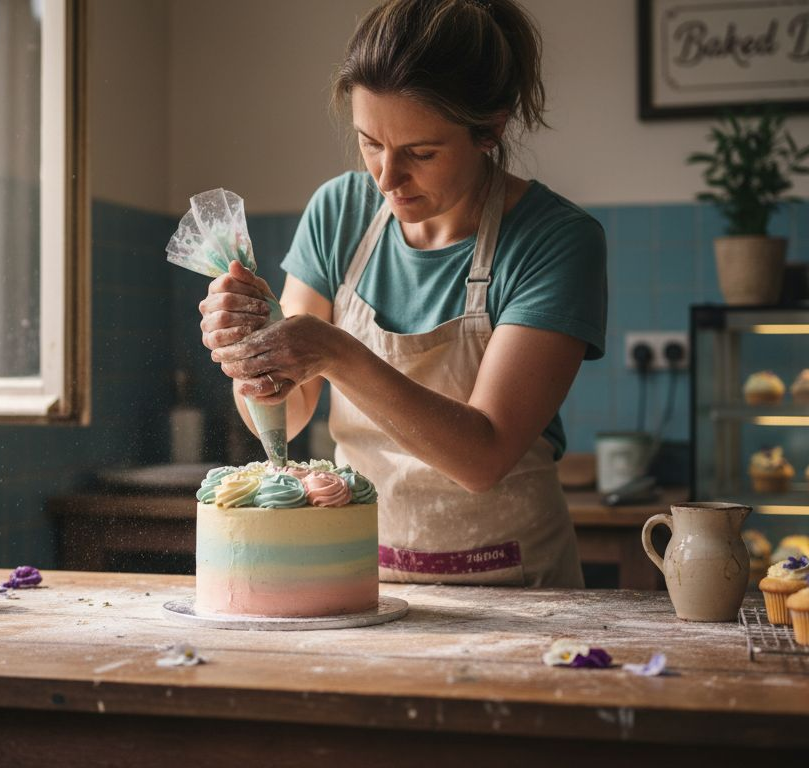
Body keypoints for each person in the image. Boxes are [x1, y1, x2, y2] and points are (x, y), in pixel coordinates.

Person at [198, 0, 606, 588]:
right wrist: (253, 351)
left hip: (516, 588)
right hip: (358, 575)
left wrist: (336, 351)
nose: (387, 177)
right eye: (370, 144)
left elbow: (481, 457)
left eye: (421, 153)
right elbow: (289, 411)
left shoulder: (557, 240)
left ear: (489, 129)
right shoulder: (338, 211)